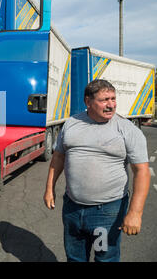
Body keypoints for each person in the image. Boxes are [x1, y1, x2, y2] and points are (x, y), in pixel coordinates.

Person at [43, 79, 150, 262]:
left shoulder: (127, 129)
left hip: (107, 212)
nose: (111, 105)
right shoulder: (71, 123)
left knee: (105, 259)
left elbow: (142, 171)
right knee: (75, 258)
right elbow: (58, 157)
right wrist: (49, 189)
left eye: (113, 99)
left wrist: (135, 213)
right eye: (104, 100)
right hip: (72, 208)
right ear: (88, 102)